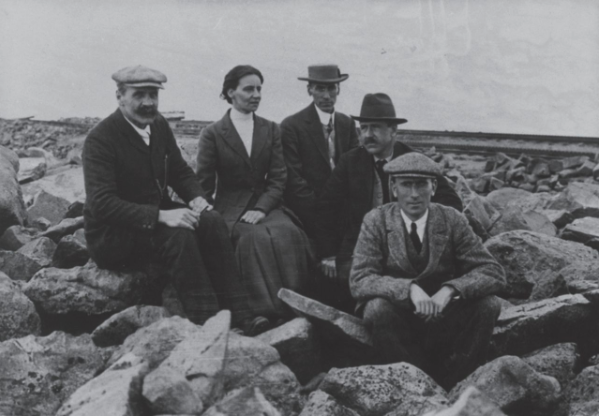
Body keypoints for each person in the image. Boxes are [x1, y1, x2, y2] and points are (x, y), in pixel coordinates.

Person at [82, 65, 267, 334]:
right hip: (113, 235)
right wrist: (162, 216)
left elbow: (180, 172)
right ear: (119, 97)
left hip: (152, 217)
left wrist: (197, 199)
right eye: (139, 95)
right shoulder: (100, 139)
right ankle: (208, 323)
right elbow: (102, 204)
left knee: (211, 221)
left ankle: (242, 314)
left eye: (153, 95)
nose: (148, 103)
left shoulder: (158, 126)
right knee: (179, 235)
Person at [350, 152, 506, 389]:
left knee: (490, 305)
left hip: (446, 320)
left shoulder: (451, 219)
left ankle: (459, 385)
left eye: (421, 185)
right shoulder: (376, 221)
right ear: (393, 188)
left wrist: (451, 290)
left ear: (433, 187)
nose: (414, 194)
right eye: (406, 185)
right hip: (400, 321)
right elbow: (360, 279)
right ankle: (412, 387)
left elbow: (492, 271)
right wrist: (408, 289)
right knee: (376, 309)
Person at [314, 93, 463, 312]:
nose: (367, 135)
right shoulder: (350, 162)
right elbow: (326, 209)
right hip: (359, 246)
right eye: (363, 128)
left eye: (375, 128)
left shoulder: (413, 160)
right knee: (332, 289)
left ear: (393, 130)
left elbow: (451, 204)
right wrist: (328, 253)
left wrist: (421, 233)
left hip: (406, 248)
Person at [196, 65, 313, 325]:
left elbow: (278, 178)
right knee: (252, 239)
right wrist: (209, 217)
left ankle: (299, 305)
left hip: (267, 207)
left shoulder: (271, 129)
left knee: (289, 233)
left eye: (259, 89)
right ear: (230, 93)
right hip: (230, 210)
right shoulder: (213, 133)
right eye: (249, 89)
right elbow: (202, 185)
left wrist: (262, 208)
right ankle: (260, 312)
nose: (256, 94)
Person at [281, 64, 359, 238]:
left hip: (343, 210)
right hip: (307, 212)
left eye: (331, 88)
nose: (326, 95)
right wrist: (320, 210)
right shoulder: (292, 126)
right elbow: (293, 179)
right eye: (320, 89)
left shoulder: (347, 124)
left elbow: (354, 168)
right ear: (309, 90)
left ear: (338, 90)